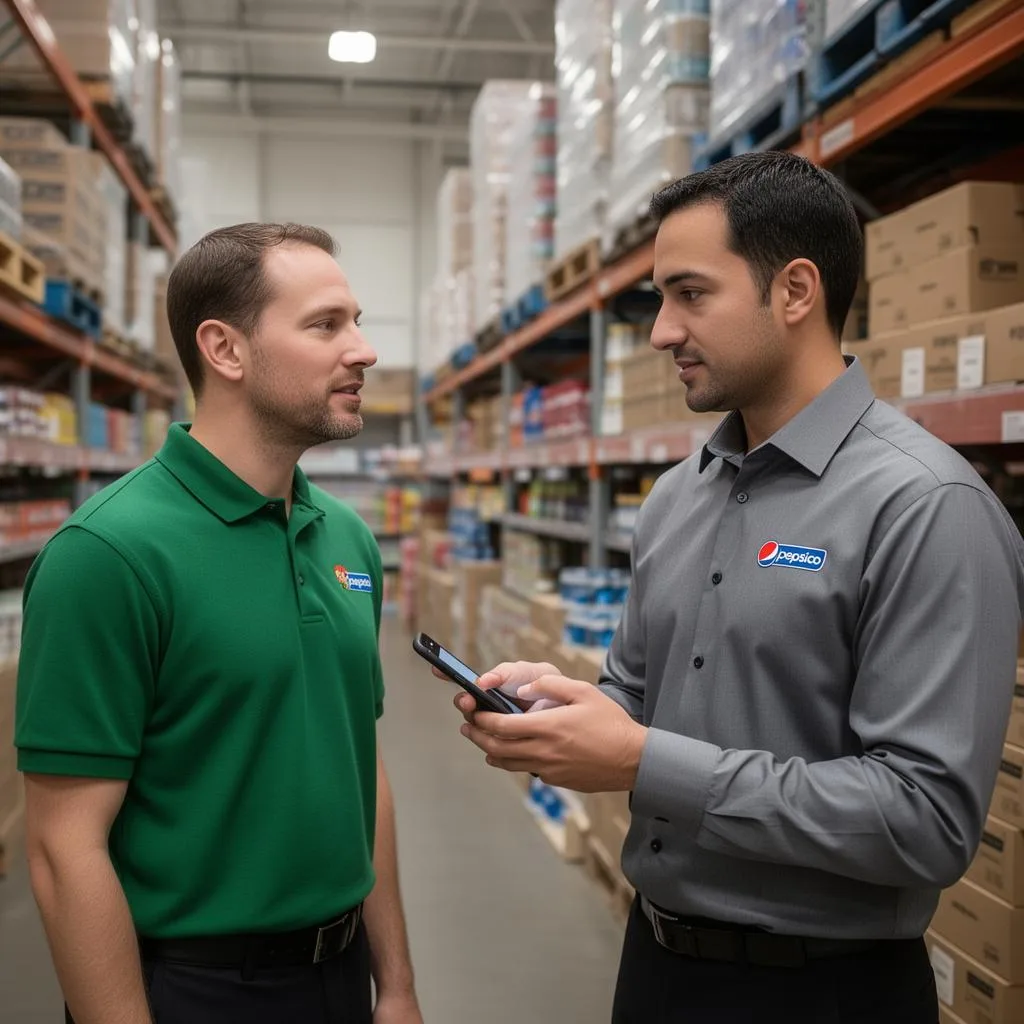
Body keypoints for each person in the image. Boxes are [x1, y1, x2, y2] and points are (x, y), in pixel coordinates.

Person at [451, 152, 1024, 1023]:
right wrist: (565, 711)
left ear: (795, 291)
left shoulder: (926, 506)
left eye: (691, 294)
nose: (661, 332)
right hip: (656, 966)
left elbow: (925, 819)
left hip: (826, 990)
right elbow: (637, 695)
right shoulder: (678, 497)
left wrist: (644, 762)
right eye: (660, 299)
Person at [15, 223, 423, 1024]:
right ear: (225, 350)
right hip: (192, 988)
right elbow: (64, 851)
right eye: (325, 325)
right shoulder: (107, 554)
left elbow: (360, 768)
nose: (365, 350)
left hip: (341, 975)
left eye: (357, 321)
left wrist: (398, 985)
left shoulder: (347, 538)